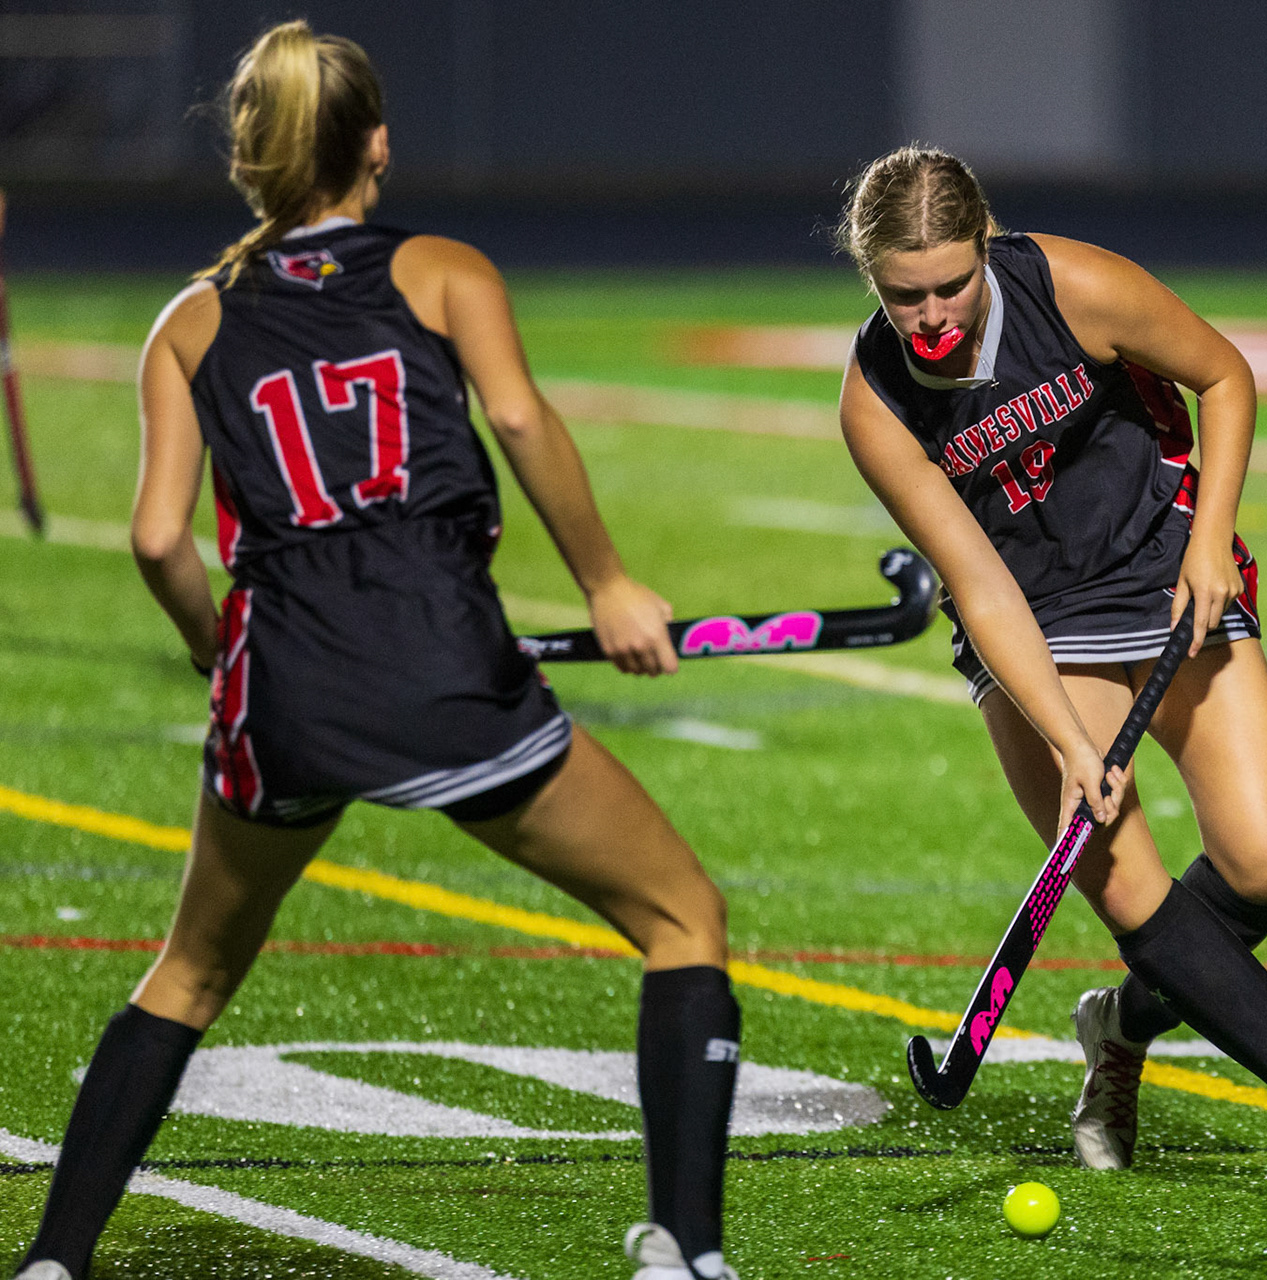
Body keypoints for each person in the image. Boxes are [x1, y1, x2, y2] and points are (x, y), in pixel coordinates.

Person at [12, 23, 739, 1280]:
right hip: (443, 663)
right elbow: (519, 418)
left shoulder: (189, 321)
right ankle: (688, 1250)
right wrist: (609, 585)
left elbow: (157, 538)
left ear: (247, 156)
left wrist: (215, 651)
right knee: (684, 916)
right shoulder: (443, 270)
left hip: (279, 688)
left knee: (187, 974)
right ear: (379, 146)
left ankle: (53, 1260)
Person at [834, 146, 1267, 1195]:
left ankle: (1121, 1025)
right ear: (870, 274)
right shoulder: (875, 404)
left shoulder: (1073, 286)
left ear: (984, 245)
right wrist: (1066, 738)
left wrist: (1210, 537)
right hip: (1036, 623)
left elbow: (1224, 375)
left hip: (1164, 564)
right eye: (904, 294)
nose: (932, 316)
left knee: (1262, 866)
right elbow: (979, 584)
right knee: (1129, 879)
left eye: (952, 284)